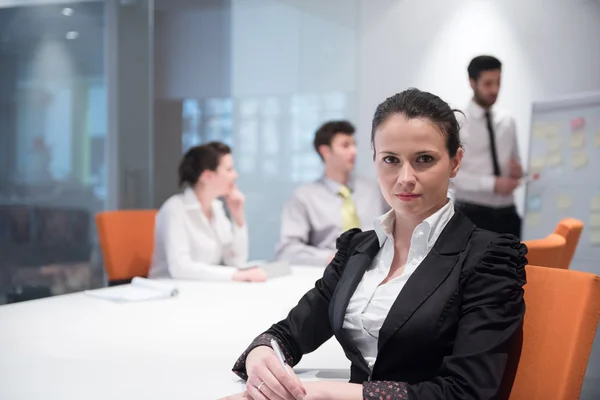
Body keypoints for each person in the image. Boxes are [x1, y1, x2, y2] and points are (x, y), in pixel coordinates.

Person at [224, 89, 527, 400]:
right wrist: (262, 354)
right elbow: (289, 333)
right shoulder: (358, 249)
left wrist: (332, 394)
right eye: (391, 160)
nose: (405, 178)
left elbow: (467, 391)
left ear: (455, 162)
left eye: (424, 159)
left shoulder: (488, 257)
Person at [149, 142, 266, 282]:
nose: (235, 175)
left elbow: (236, 261)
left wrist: (238, 219)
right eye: (229, 170)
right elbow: (180, 268)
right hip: (170, 292)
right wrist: (234, 275)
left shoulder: (216, 208)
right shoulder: (175, 209)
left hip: (203, 289)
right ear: (207, 176)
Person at [275, 120, 388, 266]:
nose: (354, 151)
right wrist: (331, 258)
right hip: (329, 273)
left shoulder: (375, 190)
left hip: (377, 268)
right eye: (345, 145)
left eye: (354, 144)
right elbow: (287, 251)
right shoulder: (304, 197)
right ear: (325, 151)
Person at [452, 55, 523, 238]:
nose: (494, 89)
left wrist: (518, 172)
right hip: (471, 214)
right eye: (488, 83)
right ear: (472, 83)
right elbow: (451, 176)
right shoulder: (457, 122)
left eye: (498, 82)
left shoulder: (507, 120)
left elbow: (515, 162)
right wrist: (492, 184)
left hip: (508, 213)